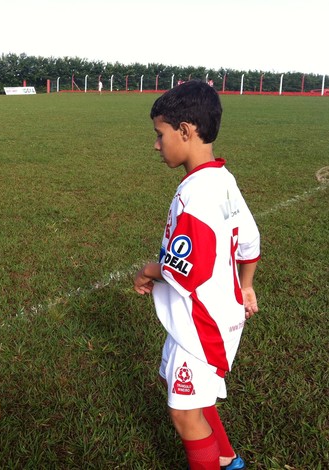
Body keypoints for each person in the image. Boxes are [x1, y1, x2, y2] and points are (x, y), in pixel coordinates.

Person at [134, 80, 260, 470]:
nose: (156, 144)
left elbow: (186, 270)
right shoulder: (223, 179)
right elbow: (250, 242)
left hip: (200, 324)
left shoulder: (194, 195)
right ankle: (228, 461)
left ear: (185, 131)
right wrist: (248, 285)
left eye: (160, 134)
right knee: (198, 399)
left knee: (185, 415)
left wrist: (147, 272)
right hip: (222, 315)